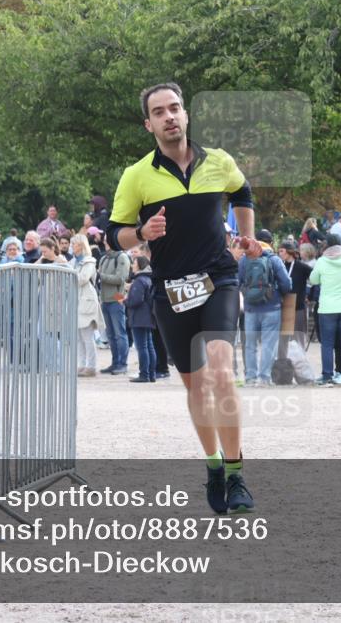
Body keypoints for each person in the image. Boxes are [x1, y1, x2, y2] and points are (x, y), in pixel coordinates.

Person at [106, 82, 260, 514]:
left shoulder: (219, 161)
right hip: (171, 289)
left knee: (221, 372)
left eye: (175, 108)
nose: (169, 116)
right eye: (160, 112)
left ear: (186, 114)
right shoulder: (137, 175)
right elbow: (111, 235)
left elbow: (243, 193)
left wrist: (245, 237)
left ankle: (236, 474)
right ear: (148, 123)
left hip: (219, 279)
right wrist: (141, 233)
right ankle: (212, 465)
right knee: (196, 386)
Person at [238, 229, 291, 386]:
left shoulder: (244, 260)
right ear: (271, 243)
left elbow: (238, 281)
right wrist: (277, 294)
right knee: (268, 344)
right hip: (272, 307)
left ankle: (250, 378)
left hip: (250, 308)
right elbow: (286, 284)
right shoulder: (274, 259)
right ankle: (264, 378)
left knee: (250, 345)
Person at [309, 233, 341, 386]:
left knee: (328, 344)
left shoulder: (322, 261)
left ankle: (327, 376)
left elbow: (313, 280)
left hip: (328, 307)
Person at [97, 240, 131, 375]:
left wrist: (101, 276)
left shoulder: (122, 257)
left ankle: (122, 364)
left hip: (117, 299)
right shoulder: (104, 258)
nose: (105, 242)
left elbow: (120, 278)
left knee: (119, 333)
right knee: (111, 335)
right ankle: (115, 362)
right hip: (105, 300)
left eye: (107, 240)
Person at [73, 234, 104, 377]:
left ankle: (91, 366)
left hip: (86, 301)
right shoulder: (73, 261)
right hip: (75, 301)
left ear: (81, 245)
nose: (73, 247)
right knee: (79, 338)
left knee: (87, 336)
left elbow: (82, 279)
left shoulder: (89, 262)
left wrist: (69, 273)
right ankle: (82, 364)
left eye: (75, 244)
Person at [126, 256, 157, 383]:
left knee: (143, 347)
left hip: (139, 317)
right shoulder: (148, 279)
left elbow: (135, 301)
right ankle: (152, 374)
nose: (132, 265)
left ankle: (144, 374)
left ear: (139, 265)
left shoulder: (139, 281)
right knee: (149, 346)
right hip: (148, 317)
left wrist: (124, 300)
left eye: (134, 262)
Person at [278, 240, 312, 345]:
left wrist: (310, 295)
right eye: (279, 251)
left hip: (298, 306)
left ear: (289, 252)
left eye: (282, 251)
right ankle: (283, 360)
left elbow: (316, 280)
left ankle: (300, 360)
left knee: (298, 338)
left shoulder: (302, 267)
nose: (280, 254)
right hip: (283, 305)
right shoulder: (279, 266)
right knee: (283, 339)